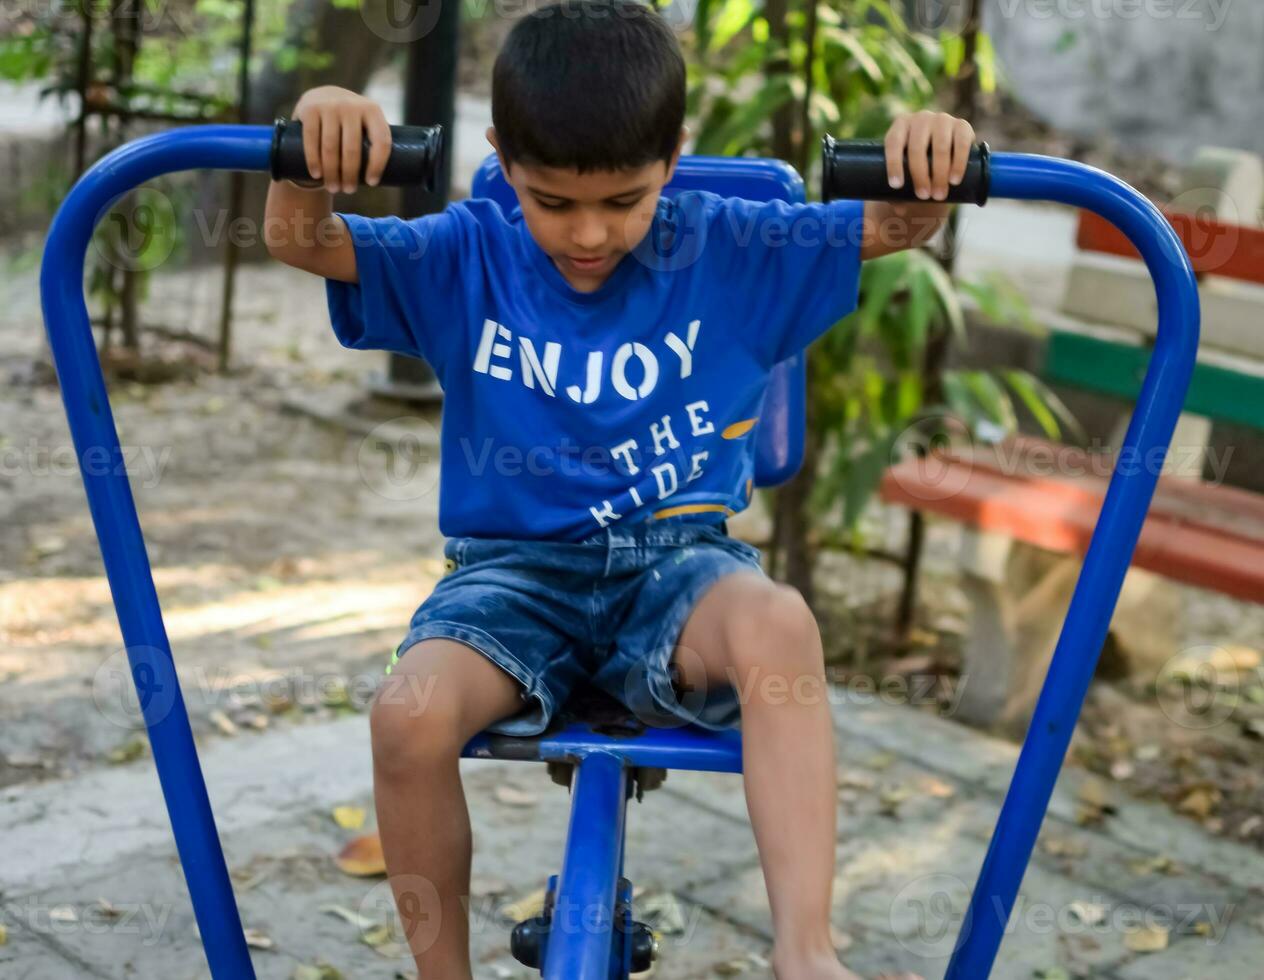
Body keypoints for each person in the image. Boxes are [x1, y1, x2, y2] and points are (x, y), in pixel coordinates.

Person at [265, 2, 973, 976]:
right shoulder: (467, 254)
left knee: (779, 622)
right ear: (502, 156)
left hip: (676, 570)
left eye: (624, 200)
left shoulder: (733, 249)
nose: (588, 233)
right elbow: (304, 240)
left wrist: (930, 145)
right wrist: (313, 137)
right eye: (552, 201)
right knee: (407, 711)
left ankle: (805, 952)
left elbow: (900, 221)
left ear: (673, 157)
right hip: (513, 577)